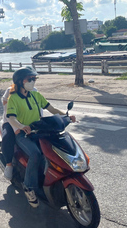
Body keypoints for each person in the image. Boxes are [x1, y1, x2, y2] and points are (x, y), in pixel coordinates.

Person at [6, 66, 76, 207]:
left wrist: (67, 115)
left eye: (34, 79)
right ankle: (29, 187)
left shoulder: (35, 95)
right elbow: (11, 118)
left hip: (40, 131)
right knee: (36, 154)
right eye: (30, 79)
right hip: (23, 134)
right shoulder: (13, 98)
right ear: (20, 82)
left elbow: (52, 109)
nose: (33, 81)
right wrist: (21, 126)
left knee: (53, 151)